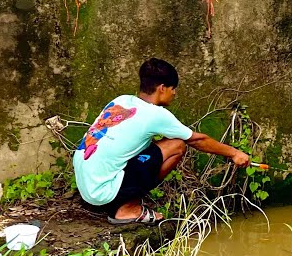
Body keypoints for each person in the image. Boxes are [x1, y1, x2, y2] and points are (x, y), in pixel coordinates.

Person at [72, 58, 250, 225]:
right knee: (176, 145)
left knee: (156, 146)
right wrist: (234, 153)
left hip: (88, 187)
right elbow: (197, 140)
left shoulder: (121, 100)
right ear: (162, 88)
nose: (174, 93)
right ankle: (127, 209)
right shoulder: (156, 115)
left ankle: (118, 200)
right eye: (173, 88)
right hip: (102, 192)